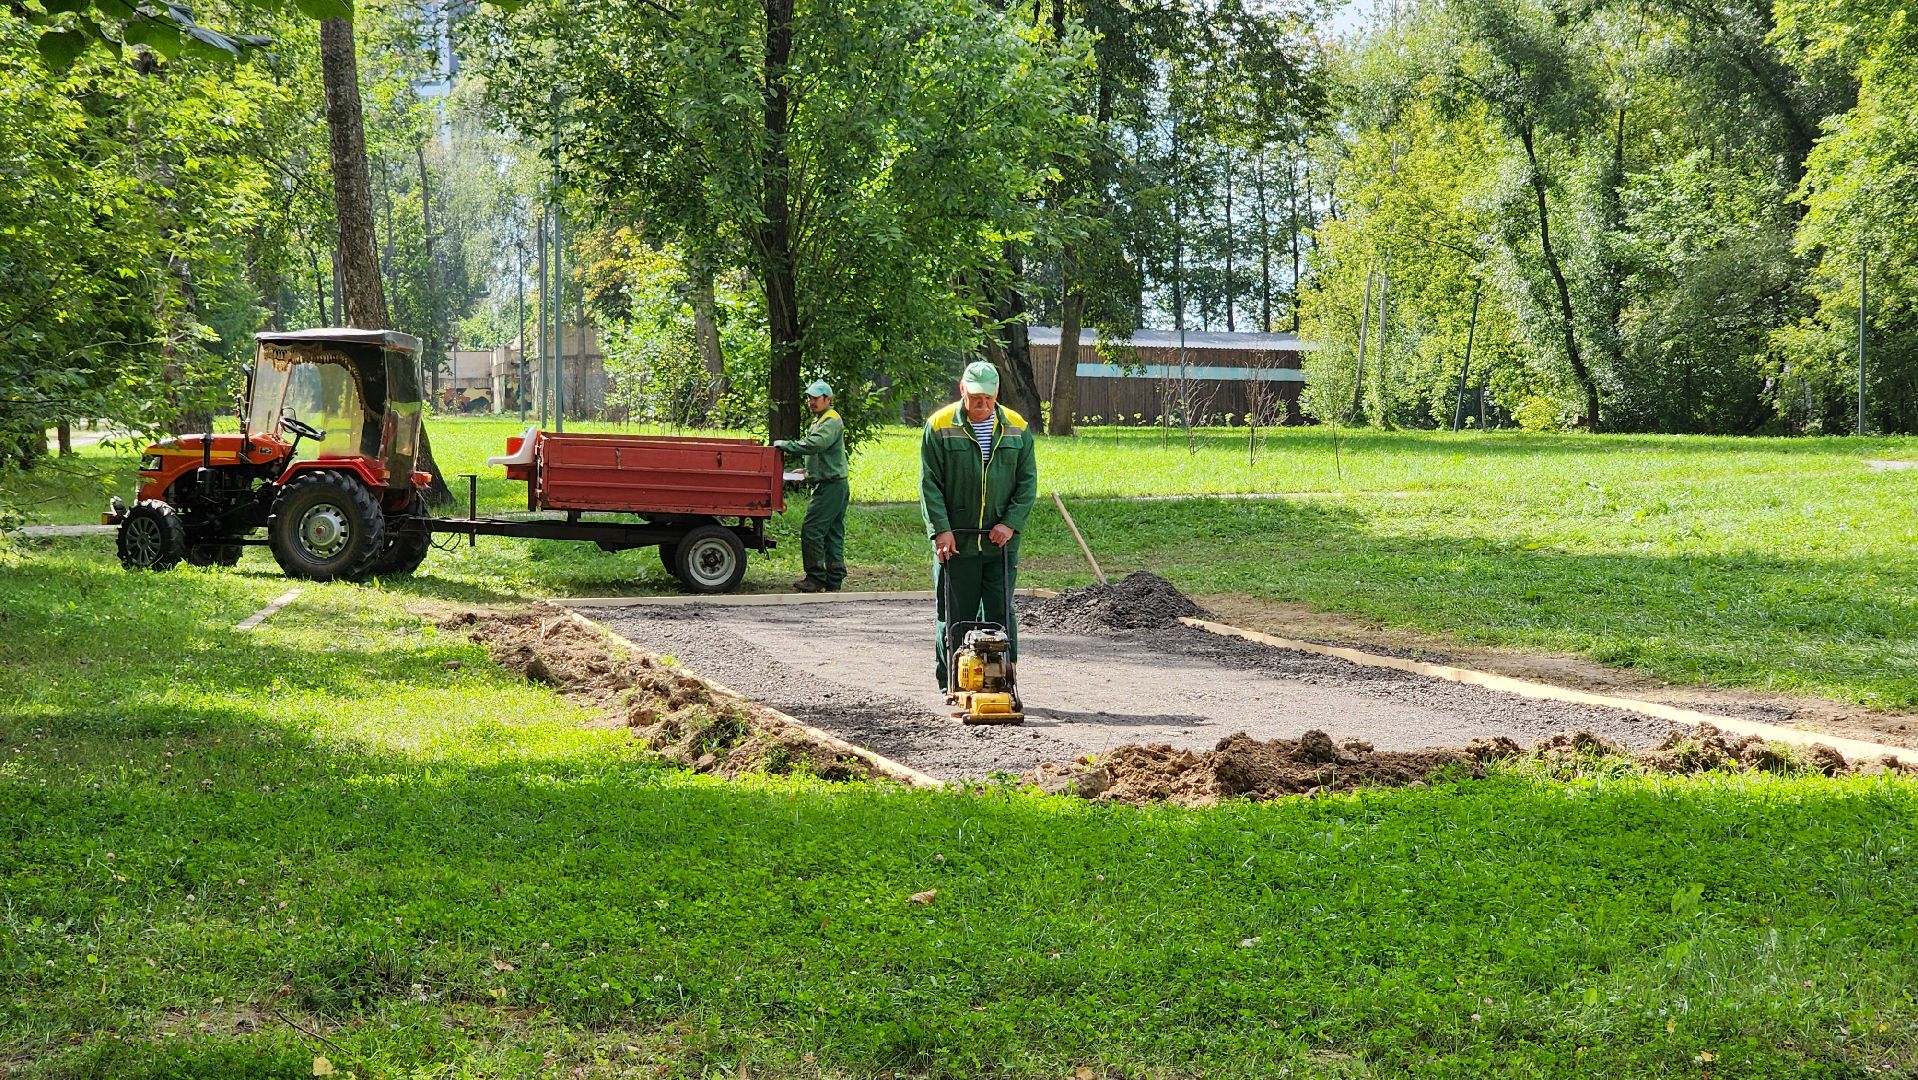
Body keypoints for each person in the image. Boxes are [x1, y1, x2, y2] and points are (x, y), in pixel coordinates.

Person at [920, 360, 1038, 689]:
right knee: (956, 616)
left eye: (987, 397)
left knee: (1001, 613)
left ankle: (1001, 680)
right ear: (962, 390)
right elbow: (929, 484)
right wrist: (941, 530)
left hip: (1000, 543)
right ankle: (955, 684)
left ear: (997, 393)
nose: (981, 403)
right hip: (957, 541)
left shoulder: (1017, 428)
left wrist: (1010, 524)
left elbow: (1027, 484)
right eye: (974, 397)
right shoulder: (940, 426)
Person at [773, 379, 849, 592]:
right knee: (832, 533)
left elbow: (817, 444)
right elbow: (826, 456)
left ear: (828, 399)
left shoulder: (831, 420)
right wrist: (807, 473)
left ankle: (815, 578)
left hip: (831, 486)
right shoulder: (820, 420)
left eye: (815, 398)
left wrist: (786, 445)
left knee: (812, 530)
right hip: (832, 483)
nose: (811, 402)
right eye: (809, 398)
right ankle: (834, 580)